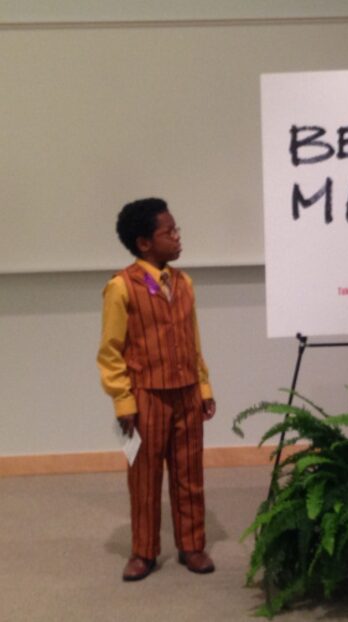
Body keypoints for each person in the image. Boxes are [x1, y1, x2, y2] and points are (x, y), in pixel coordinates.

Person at [97, 198, 216, 581]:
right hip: (146, 397)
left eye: (177, 230)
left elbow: (193, 341)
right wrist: (123, 401)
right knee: (144, 477)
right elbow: (111, 352)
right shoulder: (121, 287)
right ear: (144, 242)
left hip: (186, 394)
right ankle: (143, 550)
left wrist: (204, 386)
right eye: (170, 232)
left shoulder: (184, 284)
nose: (178, 238)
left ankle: (192, 544)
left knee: (189, 472)